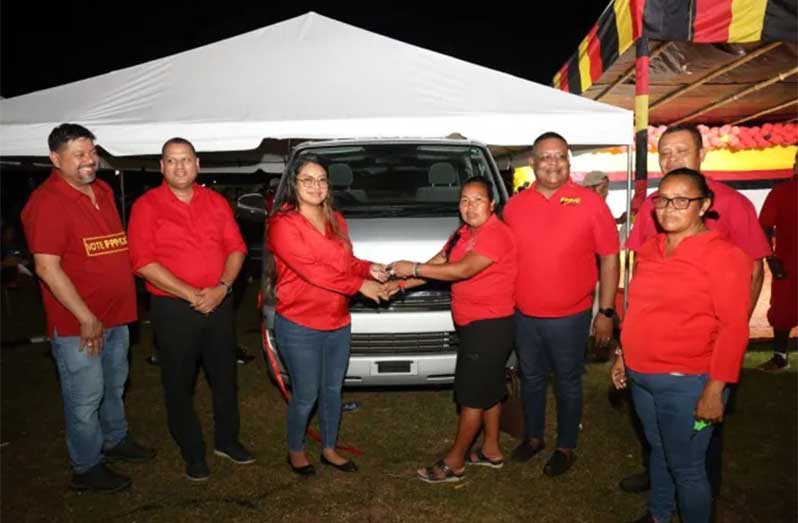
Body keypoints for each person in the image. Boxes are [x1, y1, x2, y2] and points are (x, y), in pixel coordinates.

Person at [620, 124, 771, 496]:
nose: (672, 158)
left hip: (696, 360)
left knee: (698, 457)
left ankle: (699, 493)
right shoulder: (655, 206)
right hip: (650, 360)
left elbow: (752, 272)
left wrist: (722, 342)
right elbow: (640, 270)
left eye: (681, 151)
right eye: (665, 152)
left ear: (701, 154)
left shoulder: (733, 205)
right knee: (662, 444)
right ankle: (663, 494)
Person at [612, 168, 752, 523]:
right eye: (662, 200)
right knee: (659, 449)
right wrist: (621, 355)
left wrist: (715, 389)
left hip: (689, 383)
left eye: (682, 200)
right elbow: (638, 309)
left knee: (688, 467)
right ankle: (659, 514)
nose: (669, 208)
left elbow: (734, 328)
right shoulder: (650, 248)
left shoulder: (724, 256)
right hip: (642, 377)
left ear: (703, 205)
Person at [21, 123, 155, 493]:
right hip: (79, 324)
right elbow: (47, 268)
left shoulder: (103, 189)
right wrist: (86, 317)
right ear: (54, 159)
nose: (89, 160)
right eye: (78, 154)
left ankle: (116, 439)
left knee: (114, 385)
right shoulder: (47, 202)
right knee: (85, 397)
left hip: (117, 314)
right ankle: (86, 466)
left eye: (91, 151)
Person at [127, 137, 253, 481]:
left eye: (185, 160)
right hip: (173, 310)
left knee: (225, 378)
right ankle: (193, 452)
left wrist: (223, 288)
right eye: (171, 160)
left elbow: (236, 248)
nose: (179, 166)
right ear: (161, 166)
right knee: (179, 384)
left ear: (197, 164)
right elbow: (143, 262)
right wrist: (191, 294)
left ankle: (227, 441)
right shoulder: (146, 205)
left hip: (218, 304)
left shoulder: (216, 202)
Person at [503, 132, 620, 476]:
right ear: (533, 162)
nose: (553, 163)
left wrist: (606, 311)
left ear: (569, 161)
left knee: (568, 382)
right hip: (524, 314)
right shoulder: (515, 206)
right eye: (545, 157)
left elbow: (610, 260)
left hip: (570, 315)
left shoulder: (591, 203)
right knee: (533, 379)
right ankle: (535, 436)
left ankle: (566, 445)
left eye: (560, 157)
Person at [386, 177, 517, 483]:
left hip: (490, 325)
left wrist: (413, 267)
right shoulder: (463, 233)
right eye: (464, 201)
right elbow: (442, 262)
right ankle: (491, 449)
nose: (470, 207)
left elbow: (462, 270)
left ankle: (455, 462)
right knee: (489, 387)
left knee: (471, 395)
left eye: (478, 200)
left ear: (492, 204)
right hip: (474, 325)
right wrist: (402, 283)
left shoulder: (496, 234)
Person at [266, 154, 389, 476]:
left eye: (321, 180)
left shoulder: (335, 218)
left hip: (337, 321)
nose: (316, 186)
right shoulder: (283, 224)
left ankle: (330, 449)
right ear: (293, 183)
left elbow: (345, 262)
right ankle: (295, 450)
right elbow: (313, 272)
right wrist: (359, 285)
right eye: (307, 179)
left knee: (333, 390)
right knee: (306, 394)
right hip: (299, 324)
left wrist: (368, 269)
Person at [757, 150, 797, 372]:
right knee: (782, 311)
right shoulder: (780, 193)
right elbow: (764, 226)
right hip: (789, 264)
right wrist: (770, 257)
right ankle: (780, 357)